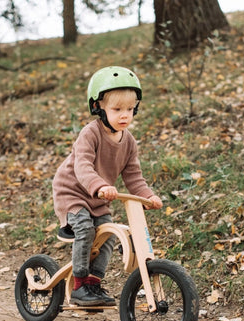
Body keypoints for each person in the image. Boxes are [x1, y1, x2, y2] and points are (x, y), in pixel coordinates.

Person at [52, 66, 163, 306]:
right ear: (98, 107)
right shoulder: (90, 134)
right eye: (117, 109)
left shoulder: (129, 141)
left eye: (130, 109)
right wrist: (100, 185)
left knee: (109, 235)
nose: (125, 115)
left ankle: (93, 282)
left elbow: (133, 176)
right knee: (85, 229)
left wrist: (147, 196)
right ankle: (80, 285)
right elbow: (83, 167)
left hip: (99, 197)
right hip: (72, 192)